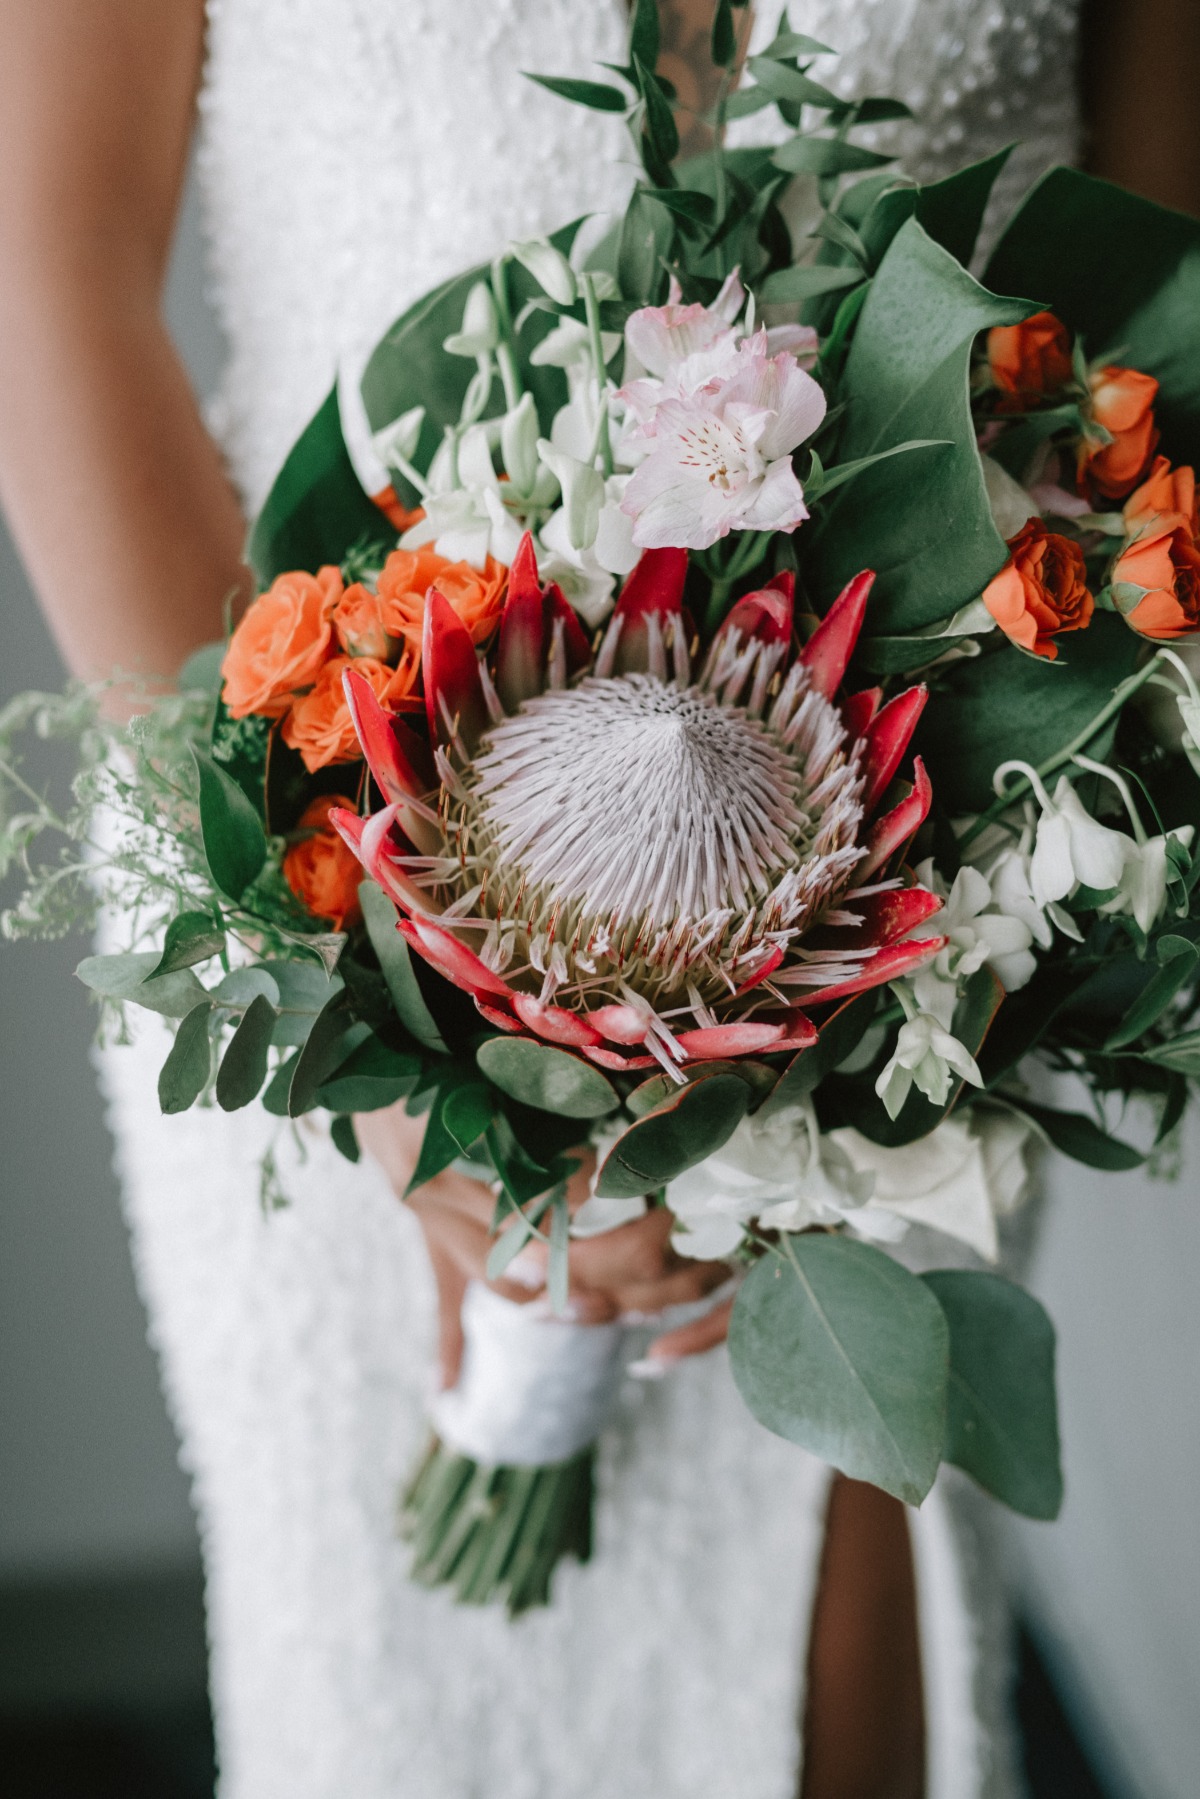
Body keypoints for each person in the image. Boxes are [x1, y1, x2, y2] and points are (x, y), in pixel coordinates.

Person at [0, 4, 1196, 1796]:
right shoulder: (318, 950)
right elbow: (51, 279)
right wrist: (348, 1005)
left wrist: (957, 908)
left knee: (826, 1666)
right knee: (383, 1710)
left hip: (907, 902)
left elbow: (1149, 320)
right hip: (318, 854)